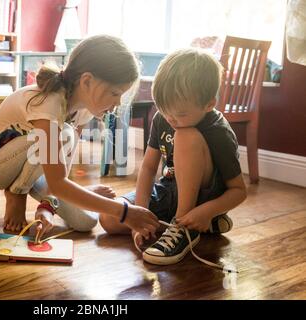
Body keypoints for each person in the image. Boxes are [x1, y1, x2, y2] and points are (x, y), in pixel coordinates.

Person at [0, 35, 159, 241]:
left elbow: (60, 175)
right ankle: (17, 193)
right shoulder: (47, 104)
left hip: (36, 167)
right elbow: (59, 182)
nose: (117, 104)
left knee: (86, 222)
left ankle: (79, 192)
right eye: (114, 93)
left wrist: (47, 206)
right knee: (65, 134)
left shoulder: (84, 109)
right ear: (87, 81)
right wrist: (124, 211)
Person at [100, 48, 247, 265]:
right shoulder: (164, 118)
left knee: (185, 135)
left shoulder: (219, 131)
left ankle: (184, 226)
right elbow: (149, 168)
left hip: (203, 198)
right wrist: (138, 214)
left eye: (180, 114)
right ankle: (197, 224)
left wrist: (206, 210)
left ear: (208, 105)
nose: (170, 119)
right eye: (163, 109)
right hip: (168, 191)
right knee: (110, 218)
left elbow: (238, 191)